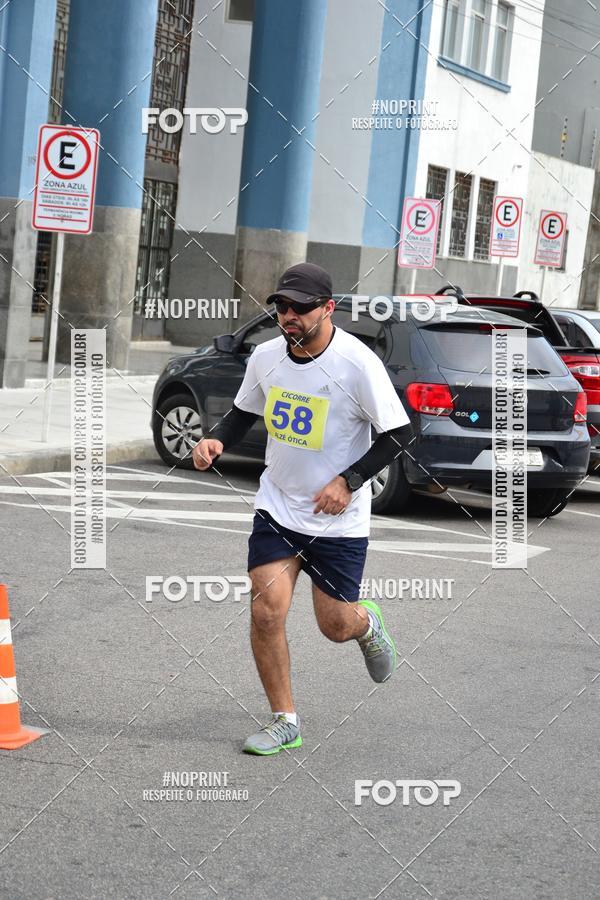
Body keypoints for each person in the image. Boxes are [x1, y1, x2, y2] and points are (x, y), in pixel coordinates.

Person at [192, 262, 412, 755]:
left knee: (334, 626)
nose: (288, 316)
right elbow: (244, 411)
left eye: (300, 308)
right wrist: (216, 440)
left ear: (328, 308)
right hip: (278, 507)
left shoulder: (357, 364)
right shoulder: (267, 357)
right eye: (281, 307)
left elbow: (399, 433)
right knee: (266, 612)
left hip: (337, 519)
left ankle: (367, 625)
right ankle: (284, 720)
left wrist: (350, 481)